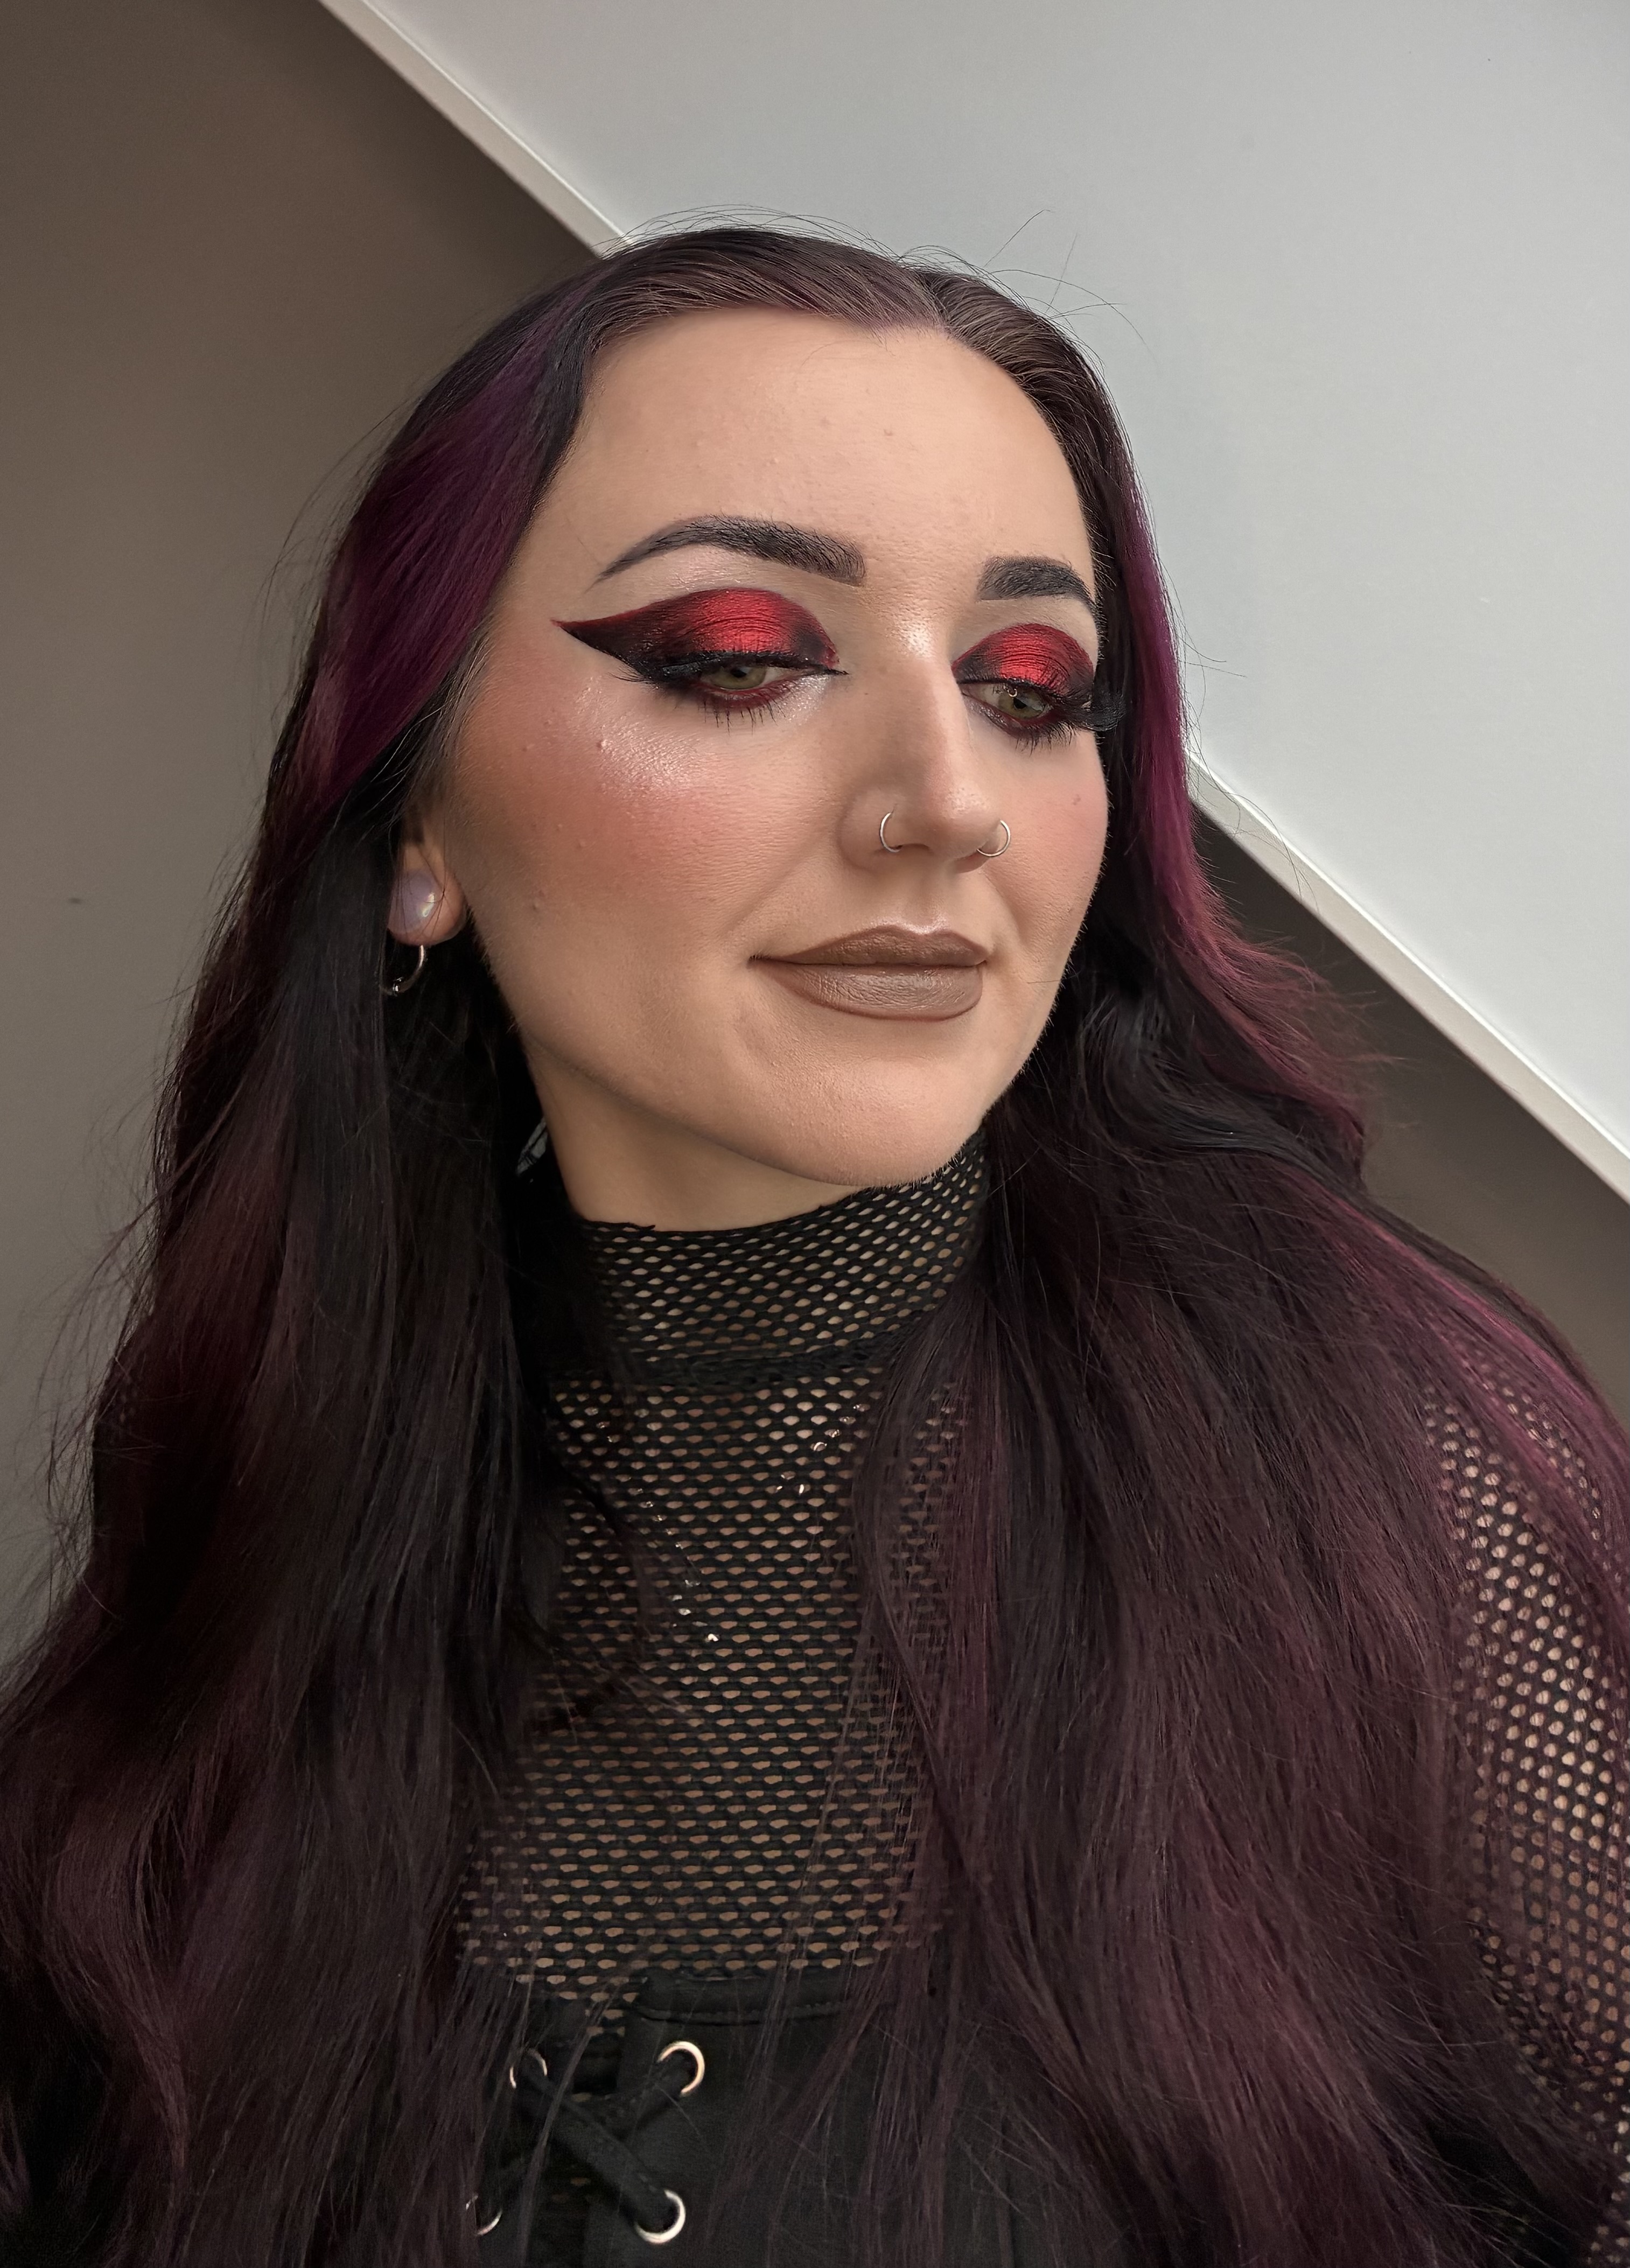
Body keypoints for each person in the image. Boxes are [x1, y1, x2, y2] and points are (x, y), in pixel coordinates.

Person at [0, 227, 1622, 2268]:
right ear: (416, 809)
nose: (945, 801)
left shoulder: (1397, 1485)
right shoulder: (274, 1504)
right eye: (736, 657)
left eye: (1032, 692)